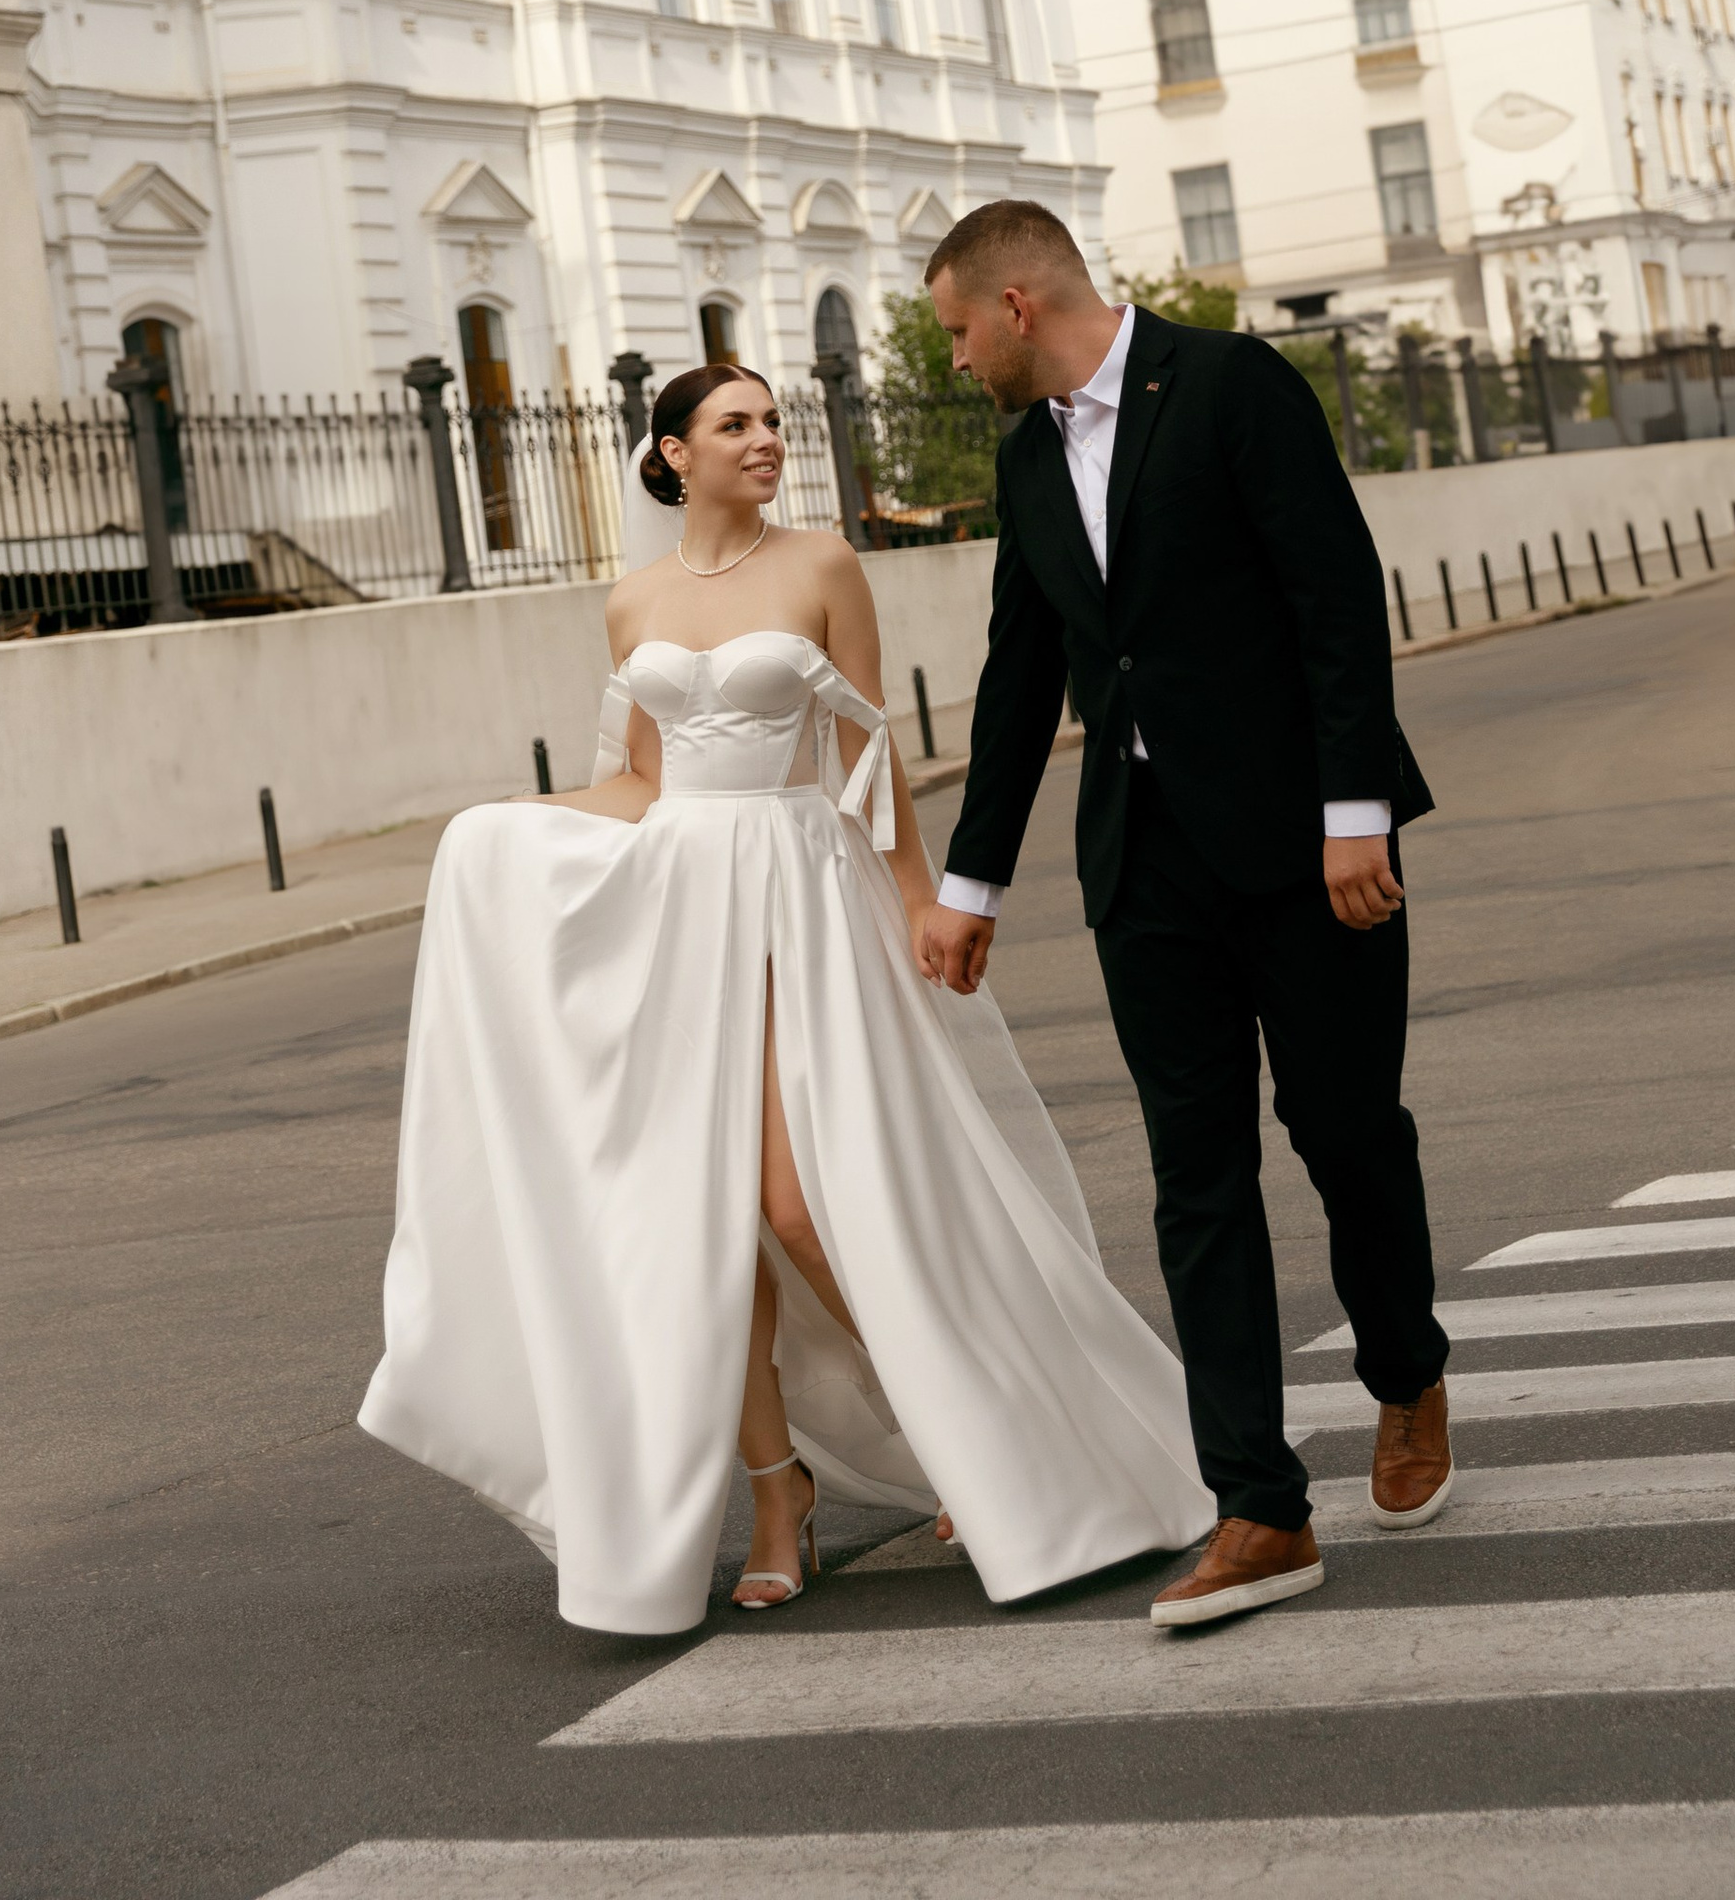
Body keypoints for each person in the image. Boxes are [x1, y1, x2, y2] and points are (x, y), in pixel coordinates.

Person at [359, 358, 1211, 1635]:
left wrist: (927, 899)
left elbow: (870, 756)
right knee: (707, 1220)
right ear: (672, 455)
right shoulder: (630, 600)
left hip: (804, 898)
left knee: (796, 1205)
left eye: (772, 421)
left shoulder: (821, 566)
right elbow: (641, 785)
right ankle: (777, 1493)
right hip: (680, 910)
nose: (766, 441)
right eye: (735, 425)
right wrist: (499, 826)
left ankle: (970, 1441)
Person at [915, 201, 1451, 1629]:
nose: (957, 359)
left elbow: (1334, 598)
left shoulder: (1227, 385)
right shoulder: (1027, 462)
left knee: (1346, 1136)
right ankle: (1260, 1508)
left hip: (1305, 846)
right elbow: (1022, 679)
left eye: (960, 330)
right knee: (1195, 1181)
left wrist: (1353, 815)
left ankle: (1407, 1371)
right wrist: (972, 885)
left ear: (1019, 306)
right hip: (1145, 869)